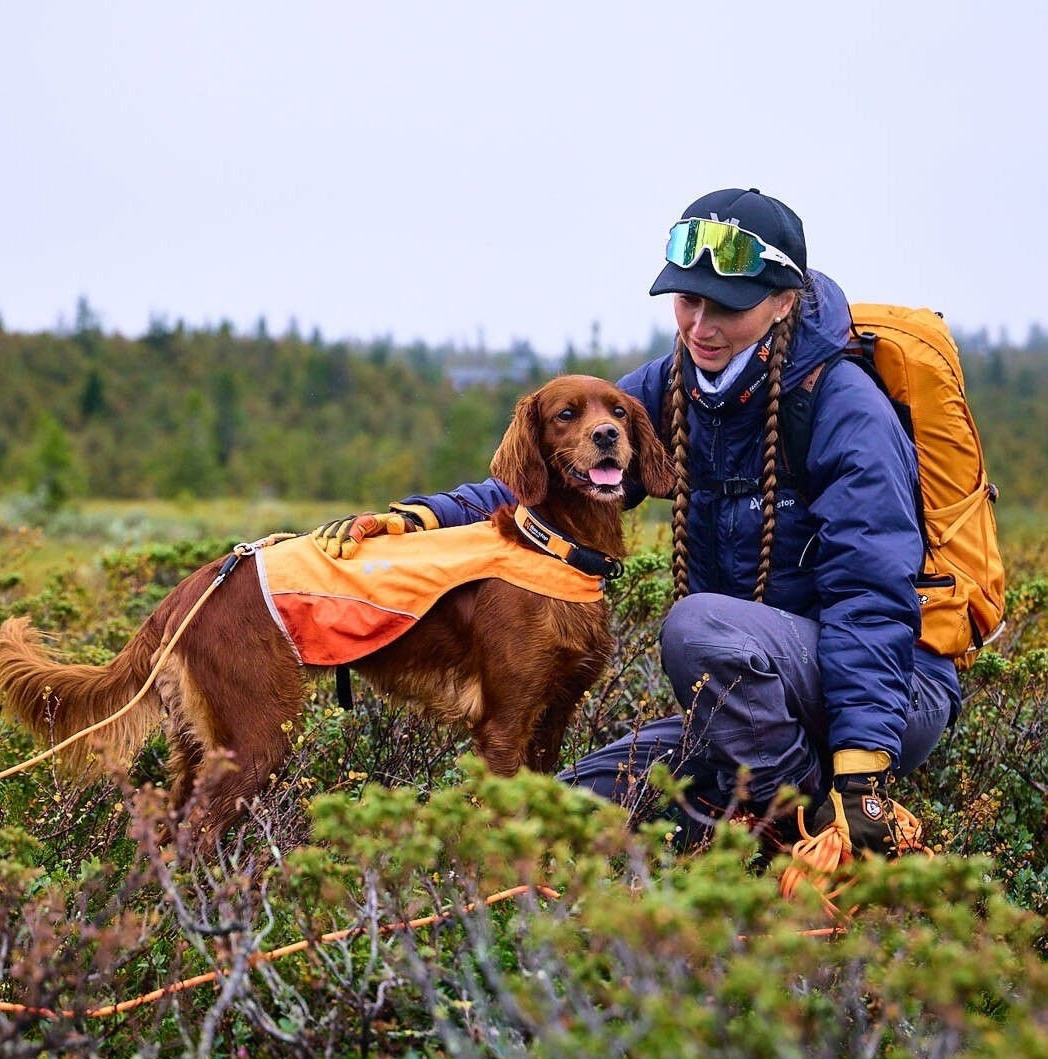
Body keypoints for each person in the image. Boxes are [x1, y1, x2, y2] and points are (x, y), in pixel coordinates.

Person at [317, 188, 962, 857]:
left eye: (727, 307)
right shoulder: (675, 384)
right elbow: (537, 479)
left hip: (888, 690)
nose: (700, 325)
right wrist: (419, 517)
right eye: (687, 301)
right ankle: (731, 814)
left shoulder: (845, 410)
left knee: (696, 627)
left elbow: (870, 599)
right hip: (752, 691)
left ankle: (797, 827)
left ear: (783, 300)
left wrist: (859, 776)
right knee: (564, 813)